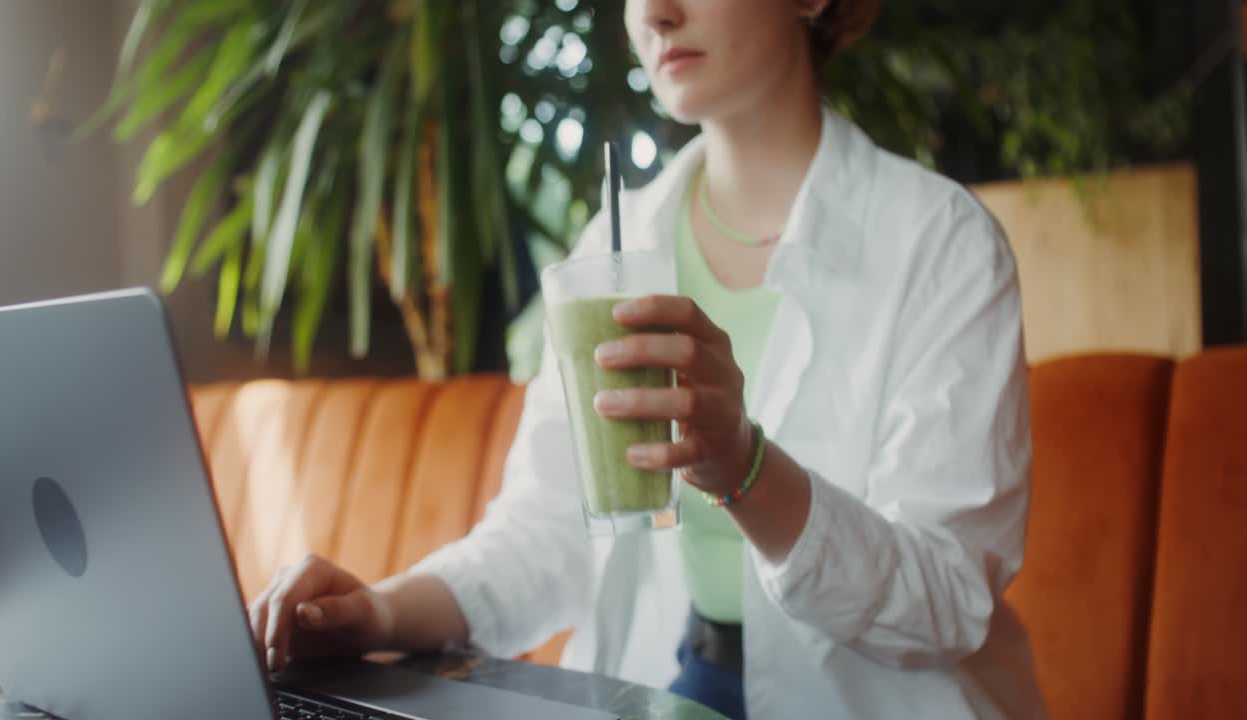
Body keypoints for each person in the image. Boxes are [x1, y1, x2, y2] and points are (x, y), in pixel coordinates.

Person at [249, 0, 1043, 717]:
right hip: (677, 689)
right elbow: (549, 528)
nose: (656, 14)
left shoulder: (942, 247)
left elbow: (947, 599)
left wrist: (747, 467)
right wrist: (378, 614)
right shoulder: (615, 248)